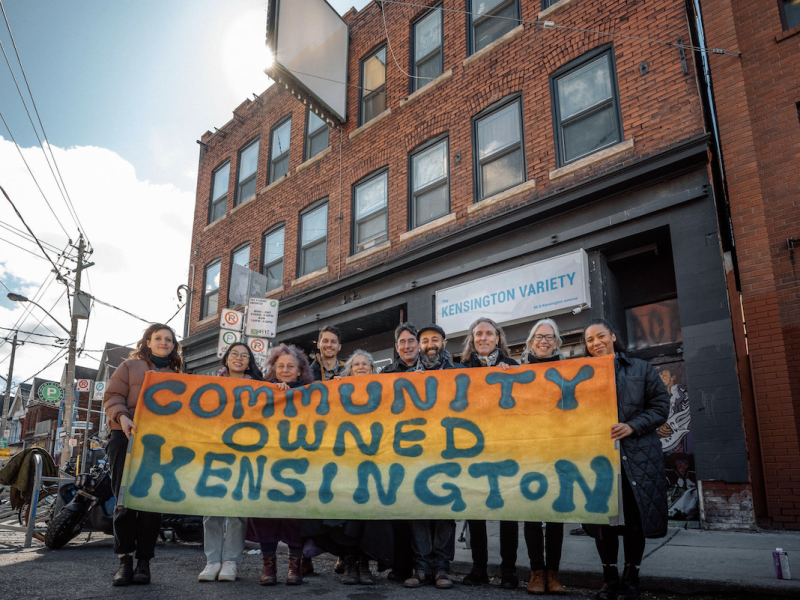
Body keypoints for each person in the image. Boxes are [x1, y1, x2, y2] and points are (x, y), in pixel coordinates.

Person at [582, 319, 669, 600]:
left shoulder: (641, 369)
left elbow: (660, 406)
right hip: (599, 459)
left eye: (600, 336)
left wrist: (632, 426)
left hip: (638, 456)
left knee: (634, 520)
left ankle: (631, 581)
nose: (596, 343)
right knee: (604, 523)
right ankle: (609, 581)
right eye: (589, 340)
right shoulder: (580, 375)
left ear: (613, 336)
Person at [304, 350, 393, 586]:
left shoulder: (384, 391)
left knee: (370, 517)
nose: (361, 367)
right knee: (349, 515)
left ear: (374, 369)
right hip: (347, 464)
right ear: (350, 369)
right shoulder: (338, 390)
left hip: (375, 463)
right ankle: (351, 563)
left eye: (366, 364)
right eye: (356, 364)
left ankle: (365, 565)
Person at [103, 324, 182, 587]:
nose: (163, 342)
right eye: (158, 338)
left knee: (151, 502)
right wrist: (123, 417)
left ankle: (144, 562)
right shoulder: (128, 367)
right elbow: (113, 396)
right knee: (124, 499)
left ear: (173, 345)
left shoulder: (178, 375)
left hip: (160, 443)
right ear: (147, 342)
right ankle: (125, 560)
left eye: (168, 339)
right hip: (124, 437)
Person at [458, 318, 520, 590]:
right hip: (472, 452)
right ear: (472, 340)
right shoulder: (459, 371)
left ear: (498, 338)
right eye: (478, 334)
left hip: (507, 451)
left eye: (488, 333)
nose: (483, 338)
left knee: (508, 513)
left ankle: (509, 571)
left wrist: (513, 377)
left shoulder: (514, 367)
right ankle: (478, 568)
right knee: (476, 513)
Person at [248, 344, 315, 586]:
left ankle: (294, 565)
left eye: (291, 366)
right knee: (265, 512)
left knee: (295, 515)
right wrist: (273, 395)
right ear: (273, 369)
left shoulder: (312, 393)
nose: (285, 370)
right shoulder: (262, 392)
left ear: (300, 371)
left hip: (299, 464)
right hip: (267, 463)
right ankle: (269, 565)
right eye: (281, 366)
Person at [405, 324, 465, 590]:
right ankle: (421, 568)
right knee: (418, 511)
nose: (430, 344)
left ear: (444, 342)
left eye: (435, 340)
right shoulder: (405, 377)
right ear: (419, 346)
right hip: (416, 454)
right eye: (425, 340)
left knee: (444, 512)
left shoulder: (462, 374)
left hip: (450, 452)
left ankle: (442, 568)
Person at [198, 343, 262, 583]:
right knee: (210, 509)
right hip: (214, 451)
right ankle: (212, 560)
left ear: (249, 363)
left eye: (245, 356)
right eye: (234, 353)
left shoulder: (258, 386)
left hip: (245, 452)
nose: (239, 358)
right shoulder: (209, 385)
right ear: (226, 359)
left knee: (237, 510)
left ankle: (231, 562)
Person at [519, 319, 567, 595]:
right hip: (529, 453)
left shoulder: (569, 370)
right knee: (533, 515)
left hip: (559, 451)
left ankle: (553, 573)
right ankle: (536, 572)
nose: (544, 341)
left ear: (557, 342)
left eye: (550, 336)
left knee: (556, 515)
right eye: (539, 337)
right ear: (530, 342)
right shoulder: (519, 371)